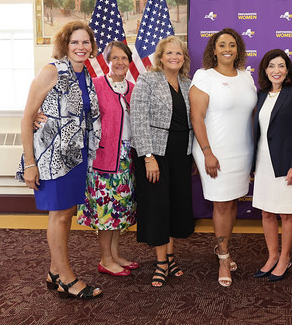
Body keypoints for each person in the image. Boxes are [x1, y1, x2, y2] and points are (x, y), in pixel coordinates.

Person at [16, 20, 102, 299]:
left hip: (76, 157)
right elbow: (28, 116)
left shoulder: (86, 74)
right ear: (65, 45)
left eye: (85, 42)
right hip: (52, 158)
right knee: (61, 216)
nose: (81, 47)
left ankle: (54, 272)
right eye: (75, 42)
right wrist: (30, 163)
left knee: (67, 214)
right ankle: (66, 277)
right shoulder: (51, 71)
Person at [189, 28, 257, 287]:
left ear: (238, 49)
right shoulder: (204, 77)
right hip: (214, 150)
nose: (227, 48)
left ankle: (223, 249)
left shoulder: (246, 77)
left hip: (242, 151)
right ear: (214, 50)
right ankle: (223, 257)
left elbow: (251, 116)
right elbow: (196, 117)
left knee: (231, 203)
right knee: (220, 203)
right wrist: (207, 152)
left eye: (232, 44)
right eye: (222, 45)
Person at [131, 36, 195, 288]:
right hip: (155, 155)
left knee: (176, 206)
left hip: (182, 154)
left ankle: (170, 257)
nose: (174, 57)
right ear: (160, 57)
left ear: (184, 59)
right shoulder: (147, 79)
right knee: (158, 206)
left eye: (179, 54)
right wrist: (148, 156)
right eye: (169, 53)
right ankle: (160, 263)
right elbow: (137, 118)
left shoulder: (188, 84)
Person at [75, 41, 138, 277]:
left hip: (125, 158)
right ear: (107, 61)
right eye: (115, 58)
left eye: (124, 58)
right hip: (102, 160)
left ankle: (115, 254)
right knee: (105, 211)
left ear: (129, 62)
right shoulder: (97, 86)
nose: (120, 63)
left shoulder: (133, 88)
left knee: (118, 210)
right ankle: (105, 259)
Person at [251, 49, 292, 282]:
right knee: (266, 212)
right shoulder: (261, 95)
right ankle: (272, 256)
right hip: (263, 162)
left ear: (287, 70)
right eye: (271, 66)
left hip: (286, 164)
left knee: (286, 214)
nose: (276, 70)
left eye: (281, 66)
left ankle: (285, 258)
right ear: (265, 70)